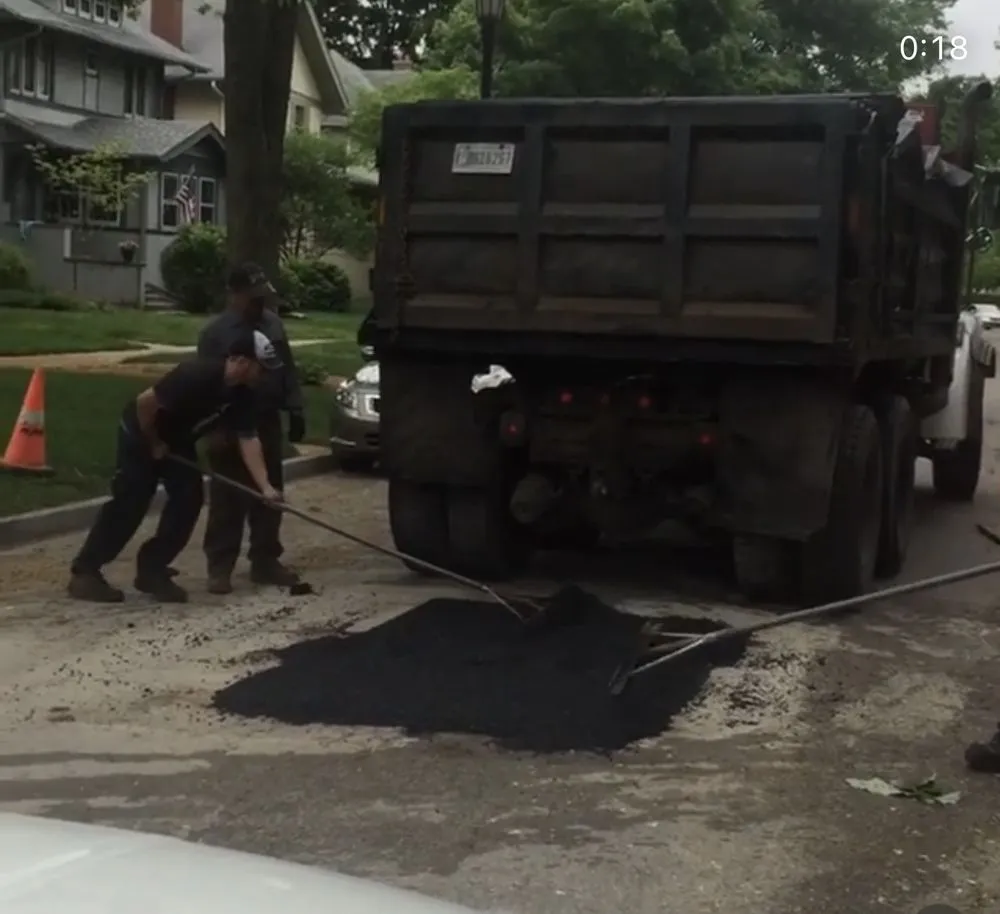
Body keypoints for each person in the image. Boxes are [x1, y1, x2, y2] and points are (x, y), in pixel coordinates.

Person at [67, 329, 285, 604]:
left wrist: (265, 487)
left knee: (188, 499)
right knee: (132, 500)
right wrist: (154, 442)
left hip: (177, 440)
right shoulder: (197, 374)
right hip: (142, 433)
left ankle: (152, 570)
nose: (264, 376)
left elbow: (248, 439)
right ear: (242, 362)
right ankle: (85, 571)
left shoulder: (243, 394)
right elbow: (145, 404)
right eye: (261, 368)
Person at [197, 263, 305, 594]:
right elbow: (206, 383)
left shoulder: (272, 323)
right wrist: (213, 427)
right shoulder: (215, 333)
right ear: (235, 294)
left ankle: (265, 560)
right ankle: (220, 564)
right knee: (228, 496)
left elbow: (286, 368)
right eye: (252, 297)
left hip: (266, 418)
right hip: (230, 422)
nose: (260, 303)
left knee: (269, 492)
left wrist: (296, 407)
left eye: (263, 296)